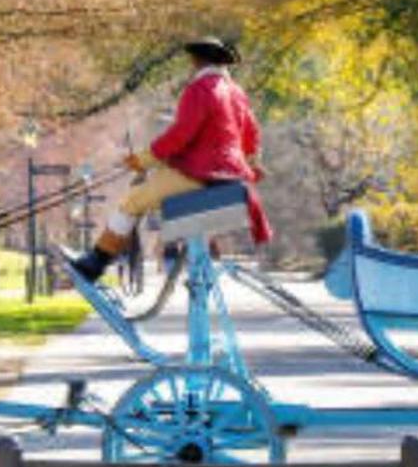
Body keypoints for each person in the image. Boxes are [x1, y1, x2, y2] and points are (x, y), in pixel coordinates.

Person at [62, 38, 271, 284]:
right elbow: (251, 136)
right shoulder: (237, 93)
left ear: (197, 60)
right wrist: (251, 165)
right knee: (151, 195)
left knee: (133, 202)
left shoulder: (200, 89)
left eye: (191, 61)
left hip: (202, 174)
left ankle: (94, 264)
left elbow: (181, 134)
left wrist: (143, 159)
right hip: (233, 177)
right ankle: (105, 260)